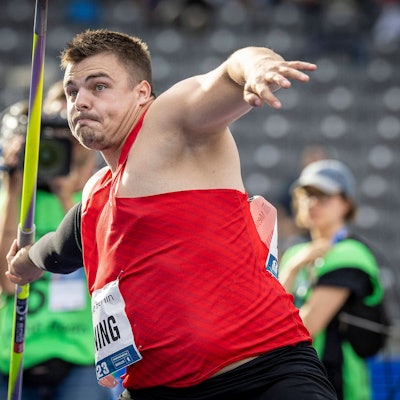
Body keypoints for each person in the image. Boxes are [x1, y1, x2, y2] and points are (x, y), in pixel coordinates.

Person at [5, 29, 337, 400]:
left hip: (261, 375)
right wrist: (24, 263)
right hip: (155, 389)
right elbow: (57, 249)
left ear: (142, 93)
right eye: (72, 91)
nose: (79, 101)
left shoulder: (167, 124)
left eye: (98, 87)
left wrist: (257, 67)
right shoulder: (97, 194)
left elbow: (230, 72)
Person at [0, 83, 111, 400]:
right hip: (15, 359)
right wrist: (14, 182)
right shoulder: (12, 199)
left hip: (80, 359)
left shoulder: (96, 200)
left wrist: (66, 196)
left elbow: (101, 278)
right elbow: (8, 284)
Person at [279, 159, 386, 400]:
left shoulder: (351, 254)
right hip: (297, 380)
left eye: (323, 194)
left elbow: (303, 329)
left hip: (338, 385)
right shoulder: (296, 254)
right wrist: (292, 269)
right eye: (306, 194)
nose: (312, 202)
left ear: (346, 203)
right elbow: (271, 317)